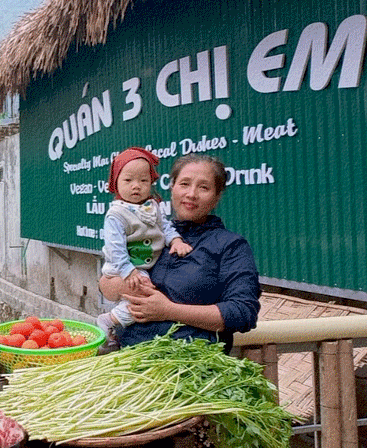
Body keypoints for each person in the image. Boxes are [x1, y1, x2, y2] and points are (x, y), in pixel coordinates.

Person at [98, 153, 261, 354]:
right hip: (128, 356)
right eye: (184, 184)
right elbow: (107, 285)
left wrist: (168, 310)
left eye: (204, 187)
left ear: (217, 196)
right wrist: (116, 283)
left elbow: (243, 313)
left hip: (188, 364)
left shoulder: (231, 246)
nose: (191, 194)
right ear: (172, 187)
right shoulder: (152, 233)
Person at [96, 147, 192, 346]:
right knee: (146, 295)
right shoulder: (116, 214)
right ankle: (110, 319)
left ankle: (114, 323)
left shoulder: (152, 206)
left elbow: (165, 226)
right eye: (128, 180)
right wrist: (128, 271)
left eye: (143, 180)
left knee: (141, 298)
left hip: (141, 265)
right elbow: (115, 248)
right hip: (124, 266)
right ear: (115, 184)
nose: (136, 186)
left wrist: (176, 240)